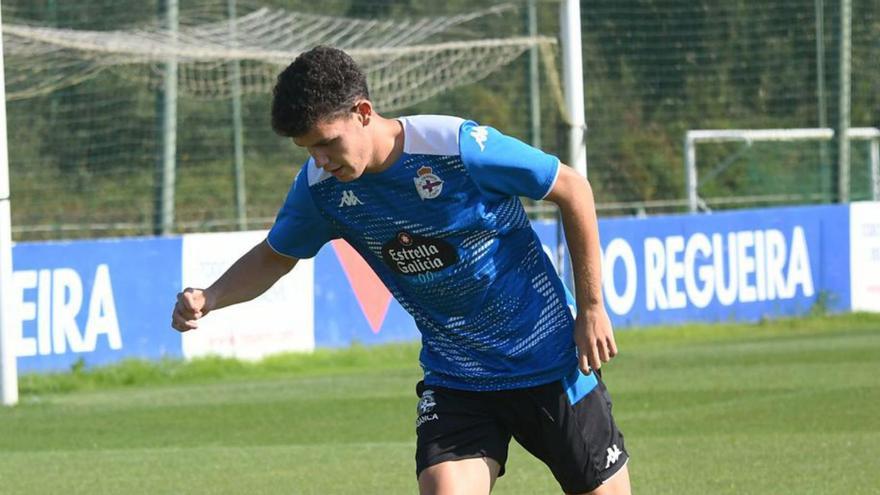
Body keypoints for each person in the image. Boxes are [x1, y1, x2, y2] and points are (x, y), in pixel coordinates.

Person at [171, 46, 631, 495]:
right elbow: (276, 254)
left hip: (549, 362)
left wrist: (591, 307)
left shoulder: (457, 148)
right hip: (457, 378)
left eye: (328, 143)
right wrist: (211, 296)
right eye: (309, 149)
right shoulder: (320, 189)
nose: (321, 160)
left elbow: (571, 188)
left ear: (363, 112)